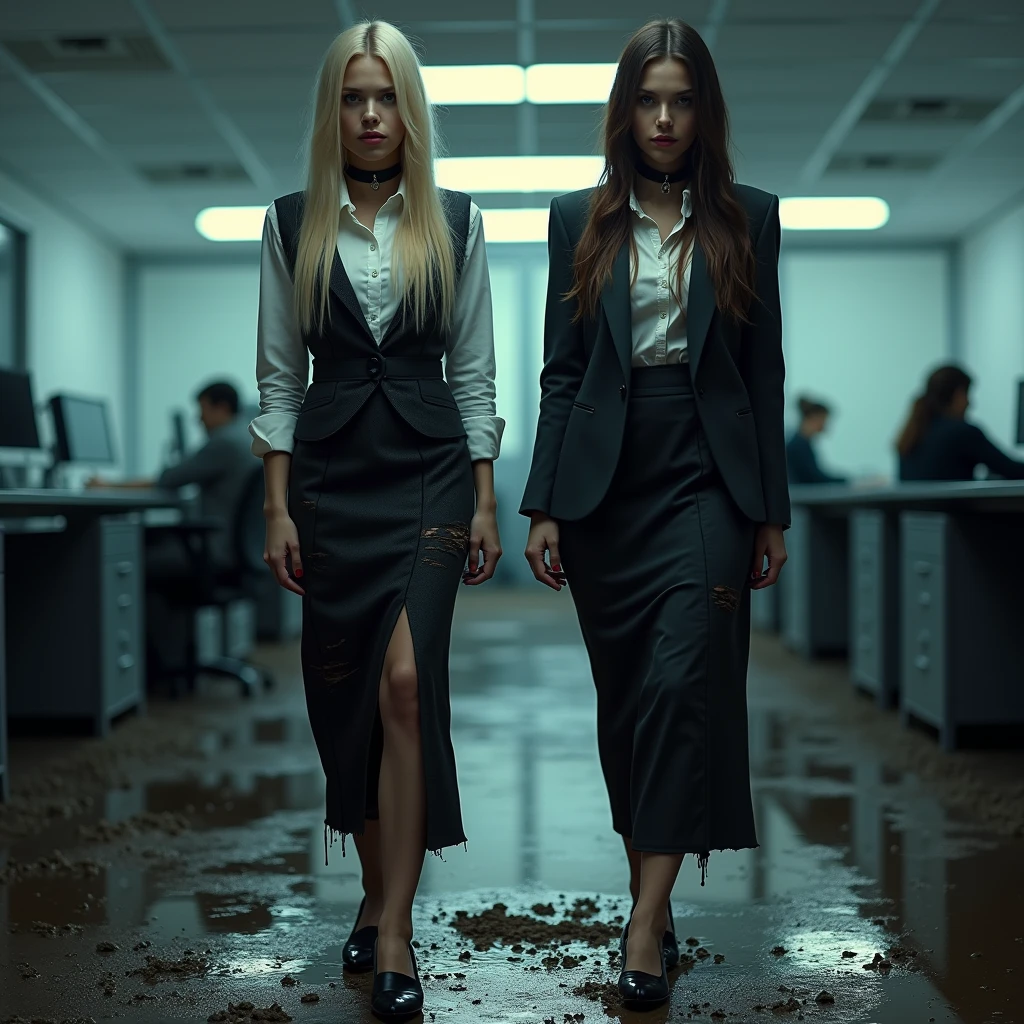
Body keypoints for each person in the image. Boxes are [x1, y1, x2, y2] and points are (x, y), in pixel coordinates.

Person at [520, 18, 789, 1013]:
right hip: (605, 482)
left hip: (708, 474)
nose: (665, 117)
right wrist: (542, 500)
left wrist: (771, 512)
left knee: (685, 682)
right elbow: (559, 370)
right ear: (623, 109)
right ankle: (654, 892)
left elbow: (762, 370)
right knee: (630, 699)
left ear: (702, 108)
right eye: (648, 98)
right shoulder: (575, 219)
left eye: (681, 99)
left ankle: (642, 919)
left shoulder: (749, 216)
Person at [250, 21, 503, 1023]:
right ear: (333, 111)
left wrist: (484, 493)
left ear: (410, 109)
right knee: (346, 696)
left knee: (405, 681)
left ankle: (394, 927)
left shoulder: (458, 219)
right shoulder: (287, 223)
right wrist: (274, 505)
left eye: (386, 96)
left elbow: (474, 373)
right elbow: (279, 377)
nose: (368, 115)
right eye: (353, 98)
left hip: (433, 468)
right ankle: (374, 889)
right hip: (328, 475)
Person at [87, 380, 253, 570]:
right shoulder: (246, 437)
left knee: (130, 556)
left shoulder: (225, 442)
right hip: (236, 549)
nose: (199, 419)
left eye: (203, 411)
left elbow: (167, 480)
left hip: (215, 551)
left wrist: (109, 486)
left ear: (222, 408)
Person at [897, 365, 1024, 481]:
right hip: (953, 506)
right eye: (967, 394)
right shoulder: (962, 432)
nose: (970, 403)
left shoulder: (911, 435)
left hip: (922, 507)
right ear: (958, 394)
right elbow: (1011, 470)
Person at [786, 396, 847, 485]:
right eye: (824, 420)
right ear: (814, 418)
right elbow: (815, 478)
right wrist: (846, 481)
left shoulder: (802, 444)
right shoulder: (798, 446)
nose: (825, 425)